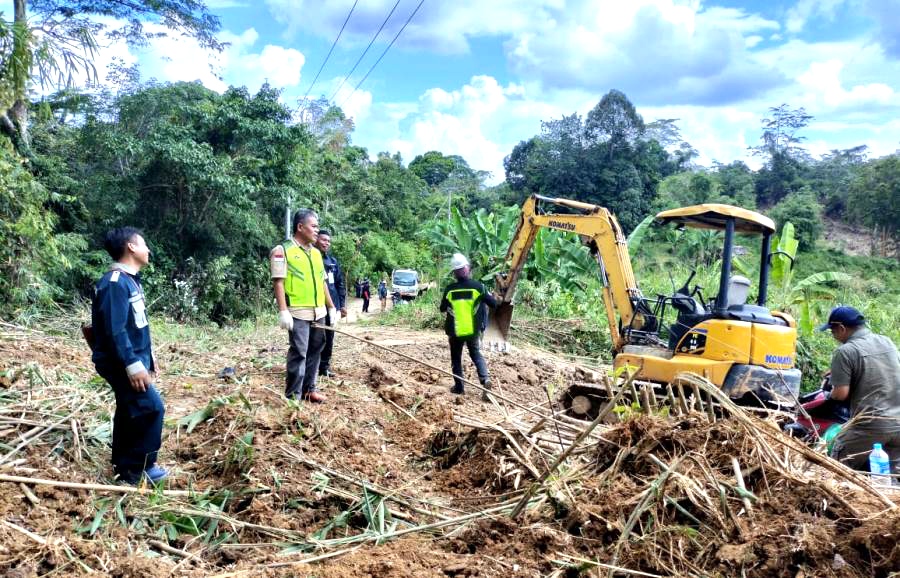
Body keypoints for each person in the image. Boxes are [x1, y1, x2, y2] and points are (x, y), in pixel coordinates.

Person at [90, 227, 167, 485]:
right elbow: (116, 330)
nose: (148, 249)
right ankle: (140, 468)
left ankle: (123, 466)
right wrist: (132, 365)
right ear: (131, 247)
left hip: (131, 358)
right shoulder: (115, 283)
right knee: (152, 408)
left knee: (128, 408)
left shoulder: (129, 280)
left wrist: (148, 360)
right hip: (120, 362)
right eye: (143, 244)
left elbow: (136, 327)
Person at [819, 306, 900, 474]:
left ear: (842, 328)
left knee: (836, 468)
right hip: (898, 422)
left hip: (871, 424)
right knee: (887, 476)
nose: (833, 336)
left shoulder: (845, 351)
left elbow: (840, 394)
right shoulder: (886, 341)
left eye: (833, 331)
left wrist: (829, 394)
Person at [270, 209, 336, 403]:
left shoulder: (316, 253)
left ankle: (309, 389)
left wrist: (331, 307)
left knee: (316, 349)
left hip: (318, 311)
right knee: (299, 352)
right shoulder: (283, 250)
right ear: (300, 227)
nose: (317, 230)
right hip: (298, 312)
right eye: (313, 226)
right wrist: (283, 311)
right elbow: (278, 282)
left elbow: (322, 282)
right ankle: (293, 396)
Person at [439, 253, 497, 402]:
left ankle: (459, 387)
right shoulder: (479, 287)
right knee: (476, 354)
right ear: (468, 269)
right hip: (472, 330)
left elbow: (442, 308)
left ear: (454, 273)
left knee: (456, 358)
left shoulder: (450, 289)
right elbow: (493, 304)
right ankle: (485, 379)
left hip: (455, 331)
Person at [315, 229, 347, 378]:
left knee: (329, 337)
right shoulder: (312, 258)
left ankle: (324, 367)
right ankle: (311, 366)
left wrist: (341, 305)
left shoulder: (332, 262)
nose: (326, 243)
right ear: (316, 240)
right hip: (316, 305)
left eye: (328, 241)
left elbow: (340, 284)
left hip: (332, 306)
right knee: (315, 337)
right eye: (323, 240)